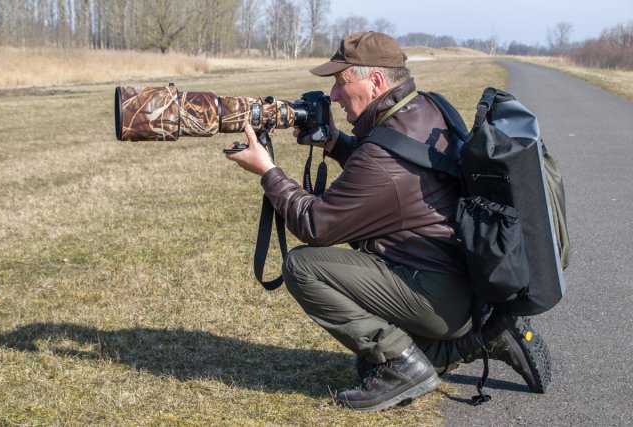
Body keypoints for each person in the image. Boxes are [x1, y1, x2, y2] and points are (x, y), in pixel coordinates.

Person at [226, 31, 551, 412]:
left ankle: (406, 365)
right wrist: (335, 143)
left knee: (303, 266)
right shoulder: (428, 107)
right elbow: (396, 180)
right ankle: (490, 333)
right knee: (366, 363)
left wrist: (267, 171)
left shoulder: (381, 156)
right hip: (467, 282)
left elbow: (317, 224)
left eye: (340, 83)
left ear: (376, 81)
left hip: (437, 296)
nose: (333, 96)